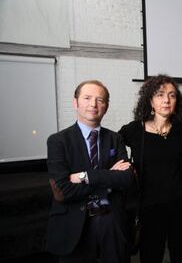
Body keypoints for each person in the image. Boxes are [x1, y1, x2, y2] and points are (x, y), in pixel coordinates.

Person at [46, 80, 134, 263]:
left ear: (106, 106)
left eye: (100, 99)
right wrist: (109, 178)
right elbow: (64, 190)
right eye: (87, 98)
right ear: (75, 103)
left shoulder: (115, 138)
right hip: (74, 226)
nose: (93, 104)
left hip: (112, 223)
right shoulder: (57, 141)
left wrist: (85, 176)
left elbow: (126, 179)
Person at [119, 75, 182, 263]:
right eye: (160, 95)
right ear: (150, 100)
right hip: (148, 208)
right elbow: (110, 147)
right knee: (151, 256)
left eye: (172, 95)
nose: (166, 100)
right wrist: (121, 165)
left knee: (181, 256)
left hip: (180, 205)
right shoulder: (134, 130)